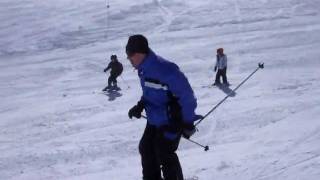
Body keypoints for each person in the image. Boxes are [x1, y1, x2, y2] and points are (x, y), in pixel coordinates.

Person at [126, 34, 202, 180]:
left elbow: (187, 97)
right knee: (146, 148)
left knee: (164, 152)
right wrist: (140, 105)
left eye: (130, 55)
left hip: (171, 120)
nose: (129, 59)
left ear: (140, 53)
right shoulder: (143, 69)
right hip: (155, 119)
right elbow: (151, 93)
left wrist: (187, 122)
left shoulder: (166, 69)